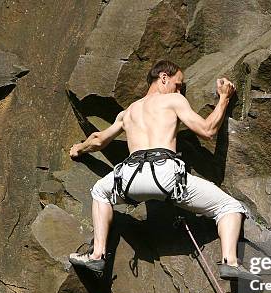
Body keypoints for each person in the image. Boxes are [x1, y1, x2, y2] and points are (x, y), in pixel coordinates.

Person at [68, 60, 257, 280]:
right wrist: (224, 98)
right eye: (178, 84)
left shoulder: (128, 112)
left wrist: (78, 149)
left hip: (129, 177)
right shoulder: (173, 100)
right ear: (164, 78)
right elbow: (207, 130)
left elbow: (99, 140)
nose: (180, 89)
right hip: (164, 174)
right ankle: (230, 263)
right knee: (229, 206)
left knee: (100, 191)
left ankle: (97, 254)